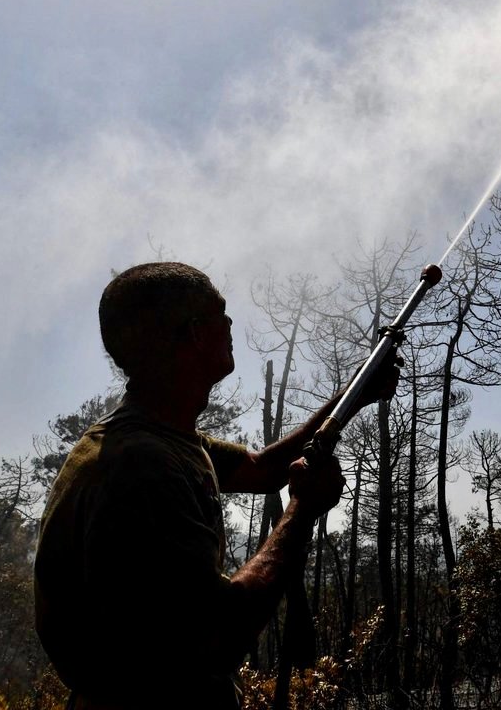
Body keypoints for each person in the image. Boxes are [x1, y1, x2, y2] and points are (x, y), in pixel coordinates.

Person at [35, 262, 397, 709]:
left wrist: (353, 395)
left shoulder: (161, 436)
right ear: (193, 334)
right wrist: (303, 510)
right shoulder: (143, 469)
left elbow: (263, 470)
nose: (229, 324)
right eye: (219, 314)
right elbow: (218, 636)